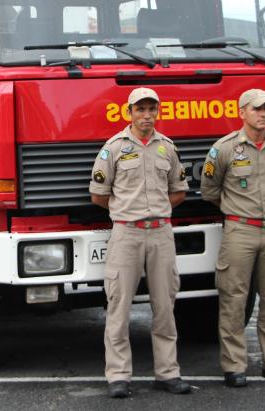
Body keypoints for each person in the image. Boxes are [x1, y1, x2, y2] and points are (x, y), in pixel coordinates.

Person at [90, 87, 192, 399]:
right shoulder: (114, 148)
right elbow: (98, 195)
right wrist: (130, 213)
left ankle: (168, 372)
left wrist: (156, 212)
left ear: (157, 111)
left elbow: (178, 189)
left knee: (165, 307)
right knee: (119, 307)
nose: (146, 115)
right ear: (129, 112)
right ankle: (118, 376)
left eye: (151, 109)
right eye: (140, 109)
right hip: (127, 234)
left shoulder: (167, 148)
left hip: (161, 233)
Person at [200, 88, 265, 387]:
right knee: (233, 300)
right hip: (239, 231)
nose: (264, 113)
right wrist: (237, 212)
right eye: (257, 109)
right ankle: (234, 367)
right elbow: (210, 190)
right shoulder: (225, 149)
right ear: (242, 112)